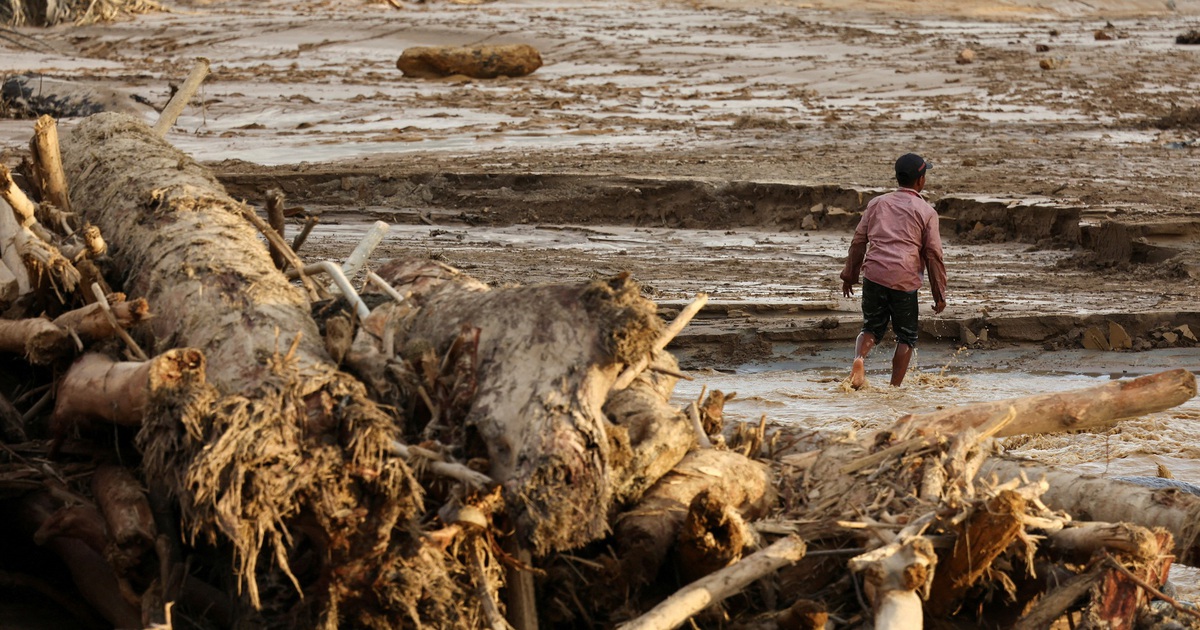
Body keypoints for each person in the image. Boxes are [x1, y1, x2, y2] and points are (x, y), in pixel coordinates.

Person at [840, 153, 947, 388]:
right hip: (904, 279)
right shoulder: (926, 212)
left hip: (874, 275)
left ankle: (859, 359)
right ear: (920, 180)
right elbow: (933, 255)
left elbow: (858, 241)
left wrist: (850, 275)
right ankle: (894, 389)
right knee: (906, 337)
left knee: (870, 328)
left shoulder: (877, 203)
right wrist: (939, 294)